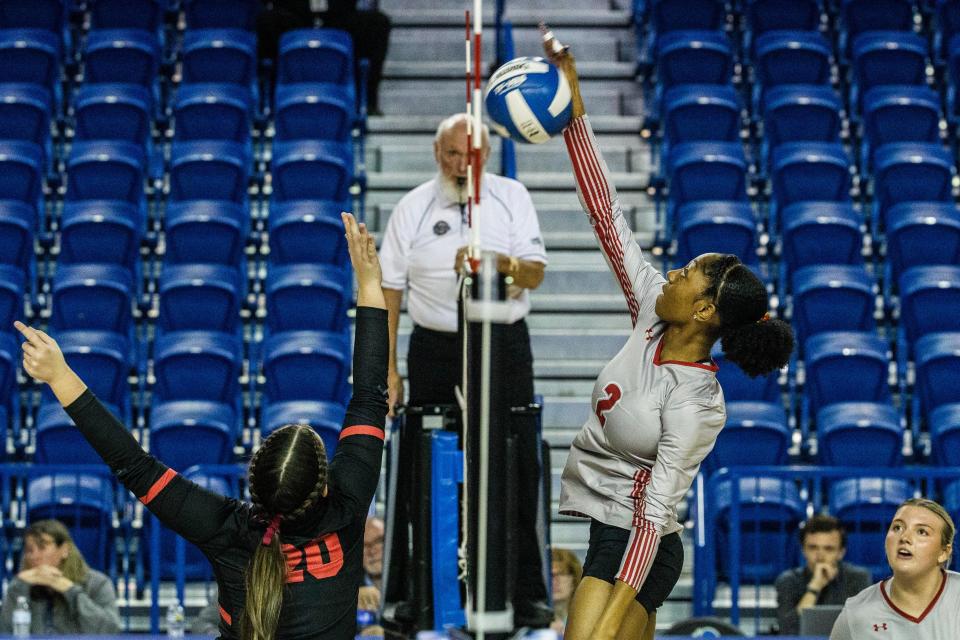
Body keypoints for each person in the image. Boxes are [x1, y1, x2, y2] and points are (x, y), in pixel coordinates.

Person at [15, 212, 388, 640]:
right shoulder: (348, 501)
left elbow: (134, 466)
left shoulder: (225, 528)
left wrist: (60, 376)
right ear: (323, 488)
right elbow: (370, 398)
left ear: (254, 482)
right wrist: (370, 285)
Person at [541, 27, 795, 640]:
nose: (671, 274)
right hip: (607, 526)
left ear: (705, 311)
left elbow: (654, 520)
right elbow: (606, 214)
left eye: (686, 275)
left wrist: (608, 617)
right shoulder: (650, 311)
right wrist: (573, 109)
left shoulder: (698, 405)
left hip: (641, 545)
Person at [379, 112, 551, 626]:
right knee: (420, 463)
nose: (460, 165)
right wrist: (388, 367)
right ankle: (416, 590)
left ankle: (526, 593)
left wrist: (498, 264)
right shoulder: (413, 206)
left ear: (487, 159)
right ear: (437, 153)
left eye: (469, 157)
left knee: (516, 460)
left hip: (502, 342)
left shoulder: (510, 198)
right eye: (452, 154)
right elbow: (388, 290)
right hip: (433, 346)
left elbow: (536, 272)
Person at [830, 498, 959, 639]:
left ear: (943, 553)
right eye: (897, 528)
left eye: (922, 532)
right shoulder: (856, 613)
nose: (904, 537)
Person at [256, 0, 391, 114]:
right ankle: (270, 101)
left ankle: (366, 101)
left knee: (377, 23)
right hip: (294, 15)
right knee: (266, 22)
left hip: (338, 16)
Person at [0, 519, 121, 634]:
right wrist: (19, 586)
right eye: (29, 550)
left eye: (42, 548)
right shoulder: (20, 585)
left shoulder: (97, 583)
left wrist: (71, 591)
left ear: (65, 550)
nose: (34, 556)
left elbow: (110, 630)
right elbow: (5, 632)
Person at [775, 514, 872, 635]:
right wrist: (814, 587)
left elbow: (864, 629)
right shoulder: (788, 580)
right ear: (803, 550)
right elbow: (788, 632)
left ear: (841, 552)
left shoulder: (858, 578)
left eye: (828, 549)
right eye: (813, 548)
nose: (820, 556)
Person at [551, 547, 583, 635]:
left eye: (560, 574)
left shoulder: (585, 619)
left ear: (573, 579)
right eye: (551, 575)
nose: (554, 581)